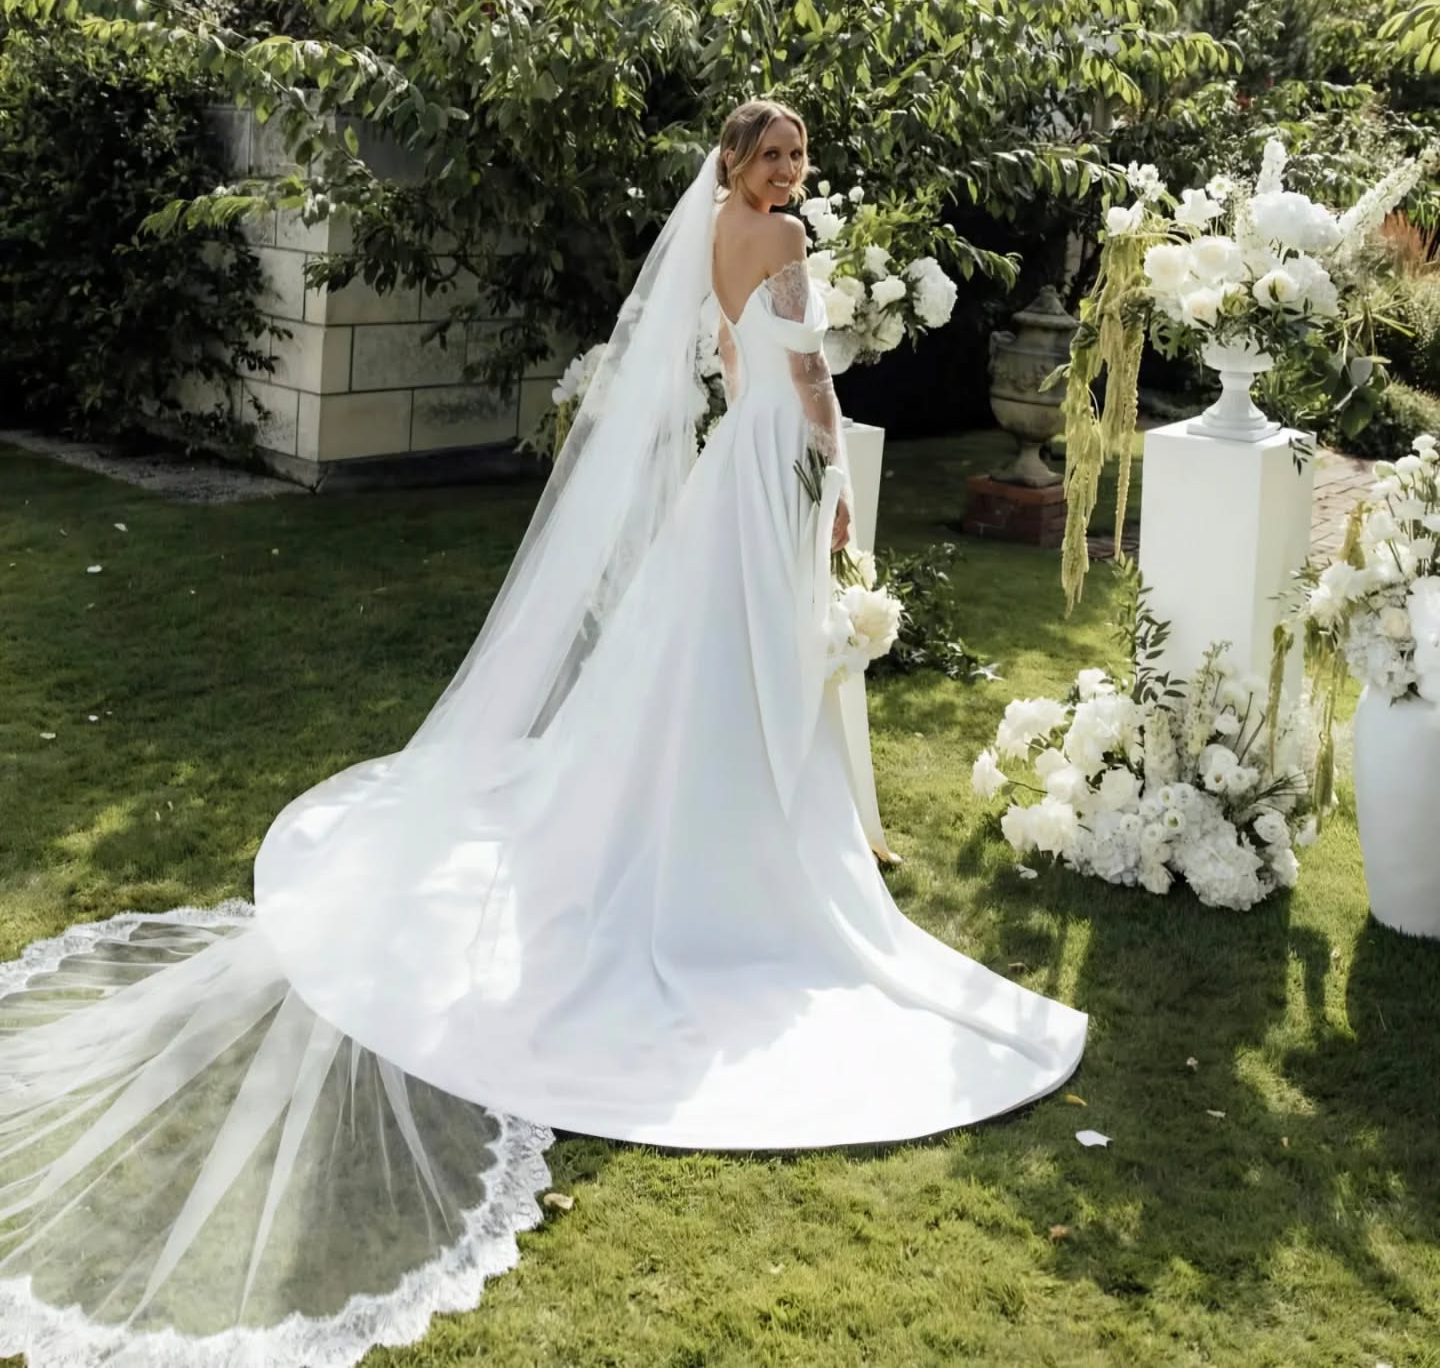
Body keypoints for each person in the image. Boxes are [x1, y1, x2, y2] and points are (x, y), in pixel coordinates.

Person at [0, 100, 1086, 1367]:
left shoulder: (719, 236)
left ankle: (691, 799)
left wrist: (782, 444)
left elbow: (738, 364)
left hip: (737, 460)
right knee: (742, 650)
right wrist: (835, 477)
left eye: (795, 157)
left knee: (705, 647)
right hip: (778, 456)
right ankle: (747, 832)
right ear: (738, 165)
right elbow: (804, 373)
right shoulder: (781, 236)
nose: (788, 173)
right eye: (771, 156)